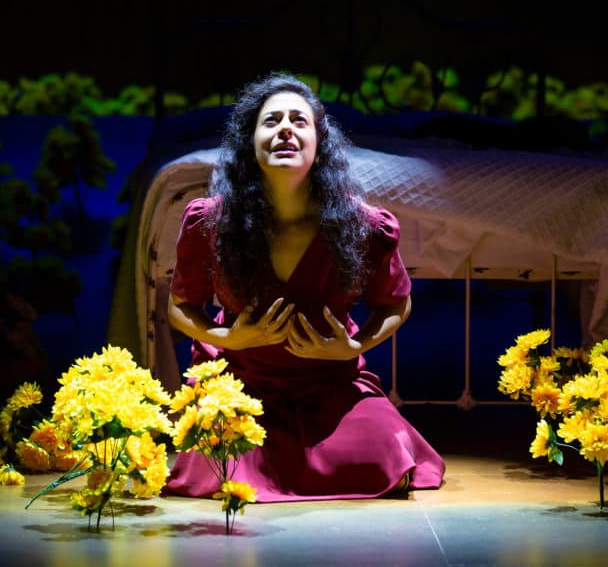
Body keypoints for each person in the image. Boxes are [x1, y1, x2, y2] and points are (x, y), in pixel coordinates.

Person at [163, 73, 445, 501]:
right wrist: (229, 337)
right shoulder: (210, 221)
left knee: (385, 461)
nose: (285, 129)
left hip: (330, 383)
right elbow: (180, 306)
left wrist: (351, 348)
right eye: (271, 120)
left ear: (319, 142)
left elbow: (396, 303)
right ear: (250, 140)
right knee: (209, 471)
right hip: (241, 383)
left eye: (299, 120)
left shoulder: (362, 224)